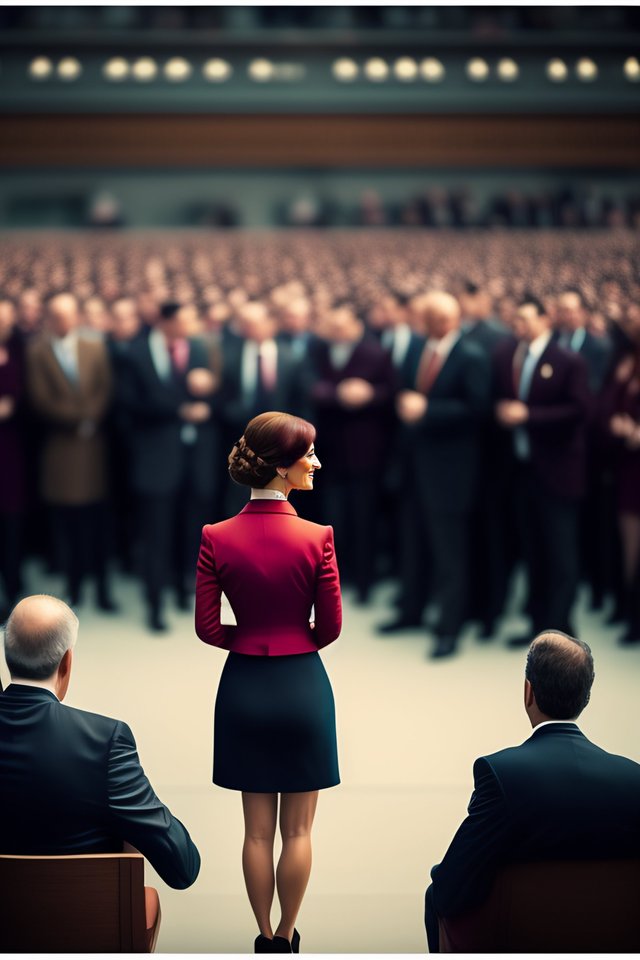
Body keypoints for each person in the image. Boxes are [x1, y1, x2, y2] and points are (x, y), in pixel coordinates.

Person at [195, 411, 342, 953]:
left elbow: (208, 629)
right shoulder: (317, 536)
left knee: (255, 832)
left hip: (243, 690)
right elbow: (329, 628)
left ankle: (263, 936)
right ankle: (288, 933)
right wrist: (290, 635)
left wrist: (252, 635)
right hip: (303, 686)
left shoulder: (216, 536)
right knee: (299, 832)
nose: (316, 462)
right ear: (282, 469)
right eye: (308, 454)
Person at [425, 630, 640, 952]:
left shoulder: (502, 774)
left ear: (528, 692)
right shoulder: (632, 778)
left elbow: (451, 888)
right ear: (586, 697)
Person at [0, 595, 201, 889]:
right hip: (82, 925)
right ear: (67, 661)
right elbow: (183, 867)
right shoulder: (104, 740)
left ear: (8, 655)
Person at [380, 291, 491, 658]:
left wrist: (428, 410)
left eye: (431, 318)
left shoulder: (470, 355)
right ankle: (412, 610)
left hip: (450, 470)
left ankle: (449, 626)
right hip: (414, 463)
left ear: (449, 320)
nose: (425, 324)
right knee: (413, 541)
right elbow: (404, 389)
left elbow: (477, 410)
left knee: (449, 552)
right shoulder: (417, 349)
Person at [493, 297, 591, 645]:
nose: (518, 325)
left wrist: (528, 416)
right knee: (533, 550)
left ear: (544, 320)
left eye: (525, 318)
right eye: (515, 319)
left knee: (561, 555)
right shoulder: (509, 355)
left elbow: (579, 410)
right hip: (522, 470)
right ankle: (537, 625)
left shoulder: (567, 360)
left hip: (559, 471)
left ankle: (561, 631)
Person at [25, 292, 116, 611]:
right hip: (62, 451)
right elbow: (41, 398)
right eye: (57, 316)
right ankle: (75, 587)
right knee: (69, 525)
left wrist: (92, 417)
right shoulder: (37, 351)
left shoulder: (94, 346)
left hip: (95, 450)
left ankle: (104, 590)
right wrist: (80, 419)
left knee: (99, 523)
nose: (63, 321)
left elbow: (105, 387)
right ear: (48, 318)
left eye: (68, 315)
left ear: (76, 316)